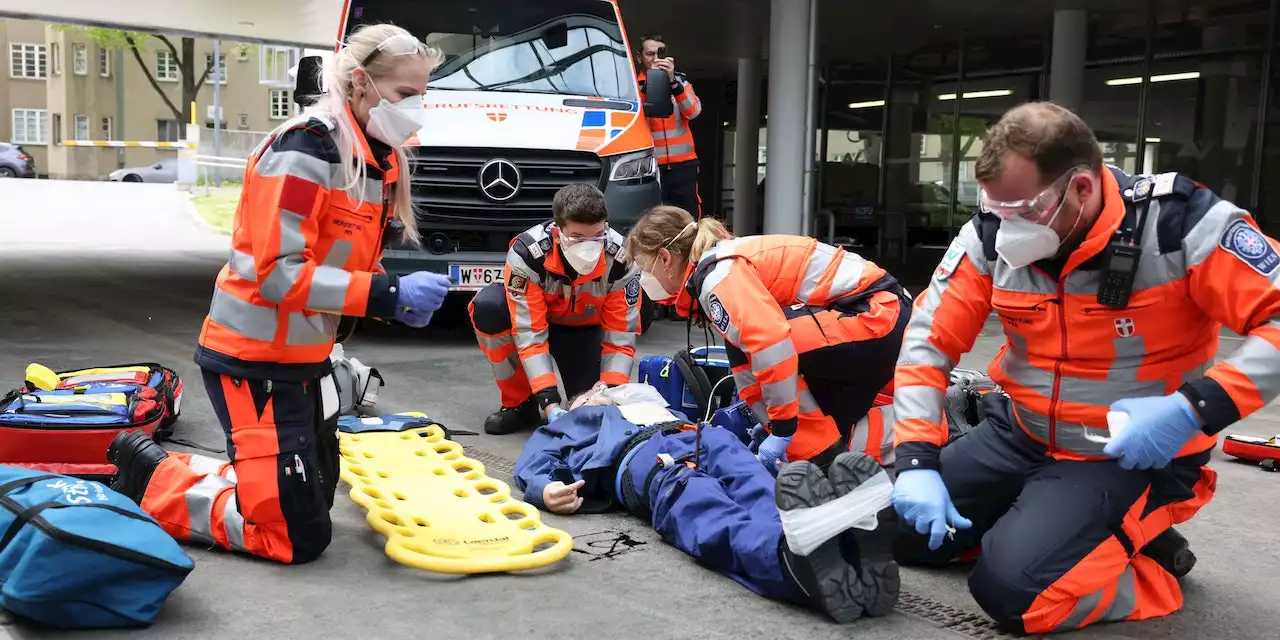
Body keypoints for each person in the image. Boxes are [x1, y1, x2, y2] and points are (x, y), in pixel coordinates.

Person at [889, 101, 1278, 634]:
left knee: (1016, 595)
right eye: (996, 208)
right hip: (1020, 431)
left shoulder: (1180, 226)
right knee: (898, 533)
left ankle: (1144, 568)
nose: (1007, 228)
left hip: (1125, 456)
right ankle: (1055, 536)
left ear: (1082, 188)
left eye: (1024, 209)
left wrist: (1192, 410)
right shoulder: (988, 236)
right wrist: (915, 460)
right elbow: (926, 345)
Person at [105, 24, 452, 565]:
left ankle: (247, 476)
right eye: (407, 95)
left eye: (422, 96)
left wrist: (395, 295)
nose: (417, 110)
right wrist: (386, 294)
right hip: (251, 360)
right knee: (293, 538)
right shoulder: (306, 148)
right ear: (361, 83)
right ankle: (151, 477)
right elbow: (277, 275)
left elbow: (342, 258)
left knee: (313, 495)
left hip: (306, 361)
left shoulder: (372, 156)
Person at [513, 397, 899, 624]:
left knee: (755, 482)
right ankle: (787, 559)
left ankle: (838, 545)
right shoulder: (576, 421)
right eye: (590, 394)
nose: (599, 393)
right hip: (646, 459)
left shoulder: (645, 400)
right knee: (698, 502)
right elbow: (535, 458)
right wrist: (545, 489)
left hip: (701, 434)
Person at [624, 205, 911, 472]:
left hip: (875, 312)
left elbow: (770, 344)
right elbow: (745, 359)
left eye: (643, 266)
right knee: (818, 428)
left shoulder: (719, 277)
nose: (643, 278)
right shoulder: (717, 267)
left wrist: (784, 427)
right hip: (869, 313)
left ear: (665, 258)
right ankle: (911, 427)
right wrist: (770, 420)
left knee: (807, 426)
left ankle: (826, 452)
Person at [470, 183, 644, 435]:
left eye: (597, 236)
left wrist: (609, 395)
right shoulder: (528, 254)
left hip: (584, 329)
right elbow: (529, 333)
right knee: (489, 308)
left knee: (587, 409)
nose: (589, 246)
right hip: (539, 324)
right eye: (577, 237)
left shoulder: (621, 259)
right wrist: (549, 403)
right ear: (557, 229)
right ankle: (520, 404)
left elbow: (620, 338)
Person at [636, 34, 703, 217]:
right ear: (639, 57)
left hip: (683, 165)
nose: (656, 59)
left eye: (660, 53)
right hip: (651, 166)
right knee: (653, 218)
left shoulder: (680, 81)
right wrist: (648, 86)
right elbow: (634, 116)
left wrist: (673, 83)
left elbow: (693, 111)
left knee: (689, 217)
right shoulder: (633, 86)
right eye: (650, 54)